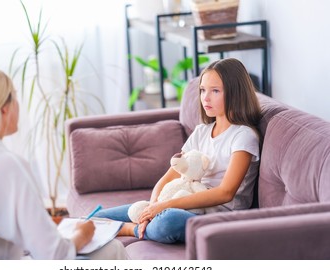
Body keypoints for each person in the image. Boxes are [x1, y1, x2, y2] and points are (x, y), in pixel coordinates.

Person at [0, 65, 127, 260]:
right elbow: (55, 256)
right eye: (15, 96)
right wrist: (83, 234)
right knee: (112, 249)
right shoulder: (8, 165)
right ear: (4, 109)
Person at [95, 58, 262, 244]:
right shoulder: (202, 132)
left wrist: (165, 207)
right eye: (203, 90)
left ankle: (131, 230)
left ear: (235, 93)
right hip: (182, 202)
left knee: (168, 222)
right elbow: (169, 177)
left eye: (215, 91)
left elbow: (225, 193)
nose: (205, 98)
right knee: (96, 219)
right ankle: (145, 225)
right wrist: (152, 208)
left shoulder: (243, 136)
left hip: (215, 216)